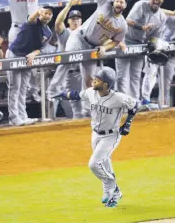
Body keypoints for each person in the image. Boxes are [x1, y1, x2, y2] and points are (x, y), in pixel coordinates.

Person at [54, 66, 139, 208]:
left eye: (97, 80)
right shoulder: (90, 93)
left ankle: (114, 188)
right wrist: (62, 94)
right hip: (95, 134)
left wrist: (127, 123)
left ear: (106, 84)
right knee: (105, 164)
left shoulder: (118, 98)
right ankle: (109, 192)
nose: (94, 81)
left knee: (94, 164)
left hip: (111, 136)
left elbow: (134, 105)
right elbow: (76, 95)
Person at [63, 0, 128, 116]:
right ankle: (57, 87)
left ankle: (88, 111)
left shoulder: (122, 25)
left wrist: (105, 47)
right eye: (117, 1)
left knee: (90, 80)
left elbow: (115, 42)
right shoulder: (104, 3)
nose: (119, 3)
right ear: (114, 2)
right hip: (79, 37)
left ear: (125, 6)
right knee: (67, 60)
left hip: (93, 47)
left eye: (122, 2)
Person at [116, 0, 169, 103]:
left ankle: (134, 102)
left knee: (135, 76)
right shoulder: (141, 5)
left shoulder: (162, 17)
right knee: (121, 77)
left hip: (140, 44)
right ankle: (121, 103)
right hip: (126, 40)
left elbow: (155, 36)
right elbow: (128, 21)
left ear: (162, 0)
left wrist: (152, 44)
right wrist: (142, 27)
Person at [7, 7, 54, 126]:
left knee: (23, 88)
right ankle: (14, 117)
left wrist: (34, 53)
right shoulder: (33, 22)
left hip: (28, 57)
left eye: (50, 14)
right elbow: (31, 18)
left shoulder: (48, 32)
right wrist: (38, 11)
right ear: (40, 14)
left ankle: (23, 116)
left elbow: (41, 49)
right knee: (15, 87)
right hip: (15, 54)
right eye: (45, 13)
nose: (47, 16)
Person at [46, 0, 84, 118]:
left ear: (81, 21)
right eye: (72, 19)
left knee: (78, 108)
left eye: (77, 19)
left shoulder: (84, 33)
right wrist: (68, 6)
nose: (75, 21)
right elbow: (58, 23)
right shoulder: (66, 33)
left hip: (80, 73)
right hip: (65, 75)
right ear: (68, 21)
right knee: (54, 99)